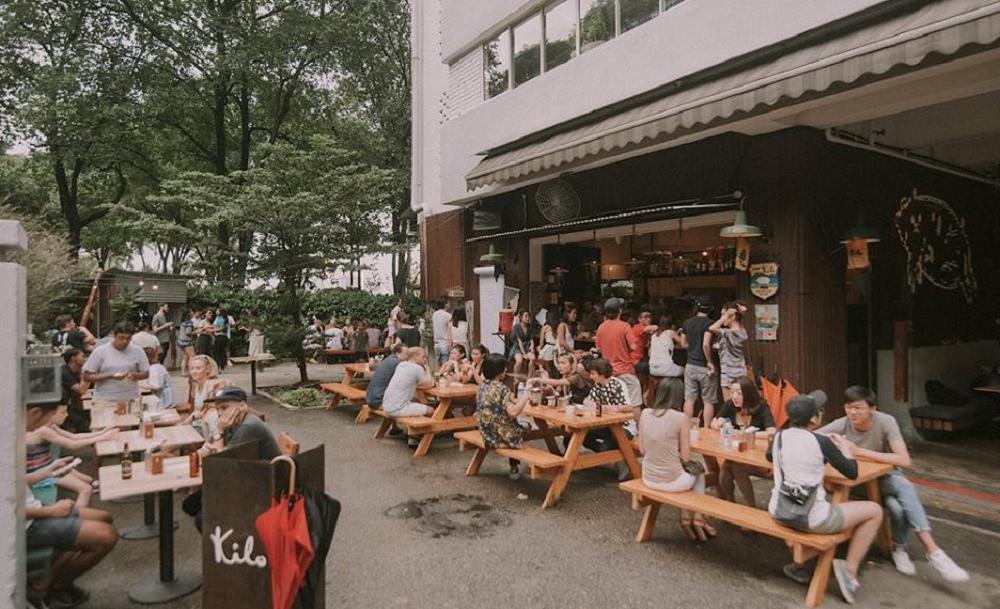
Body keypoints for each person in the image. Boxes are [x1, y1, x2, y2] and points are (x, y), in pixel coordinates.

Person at [816, 386, 968, 582]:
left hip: (884, 479)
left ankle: (908, 550)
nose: (852, 412)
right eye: (848, 407)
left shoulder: (885, 421)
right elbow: (812, 436)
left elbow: (904, 460)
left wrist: (859, 452)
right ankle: (930, 551)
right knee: (902, 493)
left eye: (858, 408)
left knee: (897, 503)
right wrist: (833, 445)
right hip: (858, 482)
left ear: (873, 408)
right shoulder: (843, 423)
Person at [768, 391, 883, 605]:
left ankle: (799, 565)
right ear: (813, 419)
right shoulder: (821, 442)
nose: (821, 413)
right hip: (812, 519)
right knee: (875, 510)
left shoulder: (779, 437)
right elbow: (852, 472)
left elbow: (769, 456)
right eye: (819, 411)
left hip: (778, 511)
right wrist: (845, 448)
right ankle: (849, 571)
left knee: (825, 502)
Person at [25, 400, 118, 609]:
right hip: (28, 523)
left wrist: (48, 471)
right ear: (35, 412)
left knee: (105, 517)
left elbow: (16, 483)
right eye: (47, 418)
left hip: (34, 507)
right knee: (106, 535)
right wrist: (52, 511)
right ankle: (54, 585)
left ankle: (48, 579)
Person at [639, 377, 716, 541]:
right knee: (698, 470)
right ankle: (697, 517)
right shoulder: (681, 418)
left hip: (648, 477)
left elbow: (642, 450)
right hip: (671, 481)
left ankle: (687, 517)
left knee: (688, 471)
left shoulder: (645, 414)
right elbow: (685, 457)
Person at [27, 403, 117, 509]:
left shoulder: (51, 426)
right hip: (40, 472)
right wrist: (103, 437)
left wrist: (103, 433)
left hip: (50, 464)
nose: (66, 415)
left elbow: (74, 436)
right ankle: (77, 516)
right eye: (62, 412)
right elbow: (72, 444)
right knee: (86, 489)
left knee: (89, 480)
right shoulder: (43, 430)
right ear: (51, 414)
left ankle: (89, 508)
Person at [710, 377, 776, 508]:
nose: (734, 397)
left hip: (760, 458)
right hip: (739, 454)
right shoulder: (730, 405)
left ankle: (751, 507)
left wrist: (746, 434)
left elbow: (772, 432)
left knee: (736, 467)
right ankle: (730, 503)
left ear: (748, 393)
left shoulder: (762, 407)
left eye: (739, 393)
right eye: (732, 392)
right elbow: (713, 422)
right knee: (726, 467)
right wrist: (718, 424)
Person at [476, 353, 532, 480]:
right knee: (527, 427)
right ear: (499, 371)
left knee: (515, 425)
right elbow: (513, 412)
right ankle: (518, 466)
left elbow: (498, 403)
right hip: (500, 437)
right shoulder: (502, 388)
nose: (506, 370)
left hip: (486, 434)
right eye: (504, 368)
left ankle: (515, 465)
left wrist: (518, 400)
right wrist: (527, 394)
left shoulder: (482, 387)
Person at [82, 322, 150, 408]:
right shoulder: (100, 351)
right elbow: (87, 376)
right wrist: (110, 376)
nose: (125, 341)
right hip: (105, 400)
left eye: (128, 338)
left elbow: (146, 373)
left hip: (131, 398)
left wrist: (133, 375)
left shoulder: (138, 350)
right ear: (114, 335)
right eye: (121, 338)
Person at [582, 358, 636, 465]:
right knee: (584, 435)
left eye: (593, 374)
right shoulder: (598, 384)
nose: (591, 377)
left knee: (606, 446)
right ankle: (604, 457)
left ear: (602, 374)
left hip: (624, 426)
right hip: (607, 424)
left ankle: (615, 463)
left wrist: (608, 408)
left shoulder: (617, 385)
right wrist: (598, 406)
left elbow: (629, 407)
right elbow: (586, 401)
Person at [594, 298, 642, 417]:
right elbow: (634, 346)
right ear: (620, 311)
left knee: (612, 403)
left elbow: (598, 348)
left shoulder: (601, 327)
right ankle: (638, 428)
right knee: (635, 403)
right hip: (625, 371)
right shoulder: (625, 326)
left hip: (608, 373)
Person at [381, 347, 435, 446]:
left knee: (416, 401)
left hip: (386, 405)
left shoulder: (401, 365)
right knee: (432, 410)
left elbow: (416, 383)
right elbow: (429, 384)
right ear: (415, 356)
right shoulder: (417, 368)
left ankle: (413, 433)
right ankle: (416, 435)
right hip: (398, 408)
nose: (425, 359)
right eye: (423, 356)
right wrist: (427, 369)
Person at [679, 297, 718, 426]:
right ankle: (706, 428)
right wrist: (709, 361)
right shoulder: (710, 323)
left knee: (689, 399)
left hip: (690, 365)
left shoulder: (687, 322)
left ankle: (687, 427)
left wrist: (692, 348)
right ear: (710, 309)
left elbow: (683, 343)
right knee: (708, 401)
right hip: (704, 367)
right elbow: (706, 344)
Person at [708, 301, 749, 400]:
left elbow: (712, 328)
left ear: (732, 316)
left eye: (724, 315)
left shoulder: (729, 333)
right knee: (740, 402)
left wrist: (725, 317)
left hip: (729, 372)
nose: (722, 318)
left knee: (730, 404)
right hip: (740, 371)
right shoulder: (742, 331)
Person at [184, 354, 231, 439]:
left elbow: (212, 410)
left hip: (206, 428)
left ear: (208, 369)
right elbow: (195, 411)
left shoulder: (210, 385)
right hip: (196, 424)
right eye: (192, 368)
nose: (194, 371)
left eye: (198, 368)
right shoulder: (196, 386)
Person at [647, 315, 684, 406]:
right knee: (685, 370)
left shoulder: (654, 335)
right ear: (671, 325)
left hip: (652, 369)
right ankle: (679, 399)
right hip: (666, 368)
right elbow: (683, 343)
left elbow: (649, 353)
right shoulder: (671, 332)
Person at [366, 343, 410, 411]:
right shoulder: (398, 363)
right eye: (406, 353)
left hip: (370, 398)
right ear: (397, 353)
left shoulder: (388, 359)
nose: (408, 356)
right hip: (379, 401)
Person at [60, 348, 91, 433]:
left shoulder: (75, 372)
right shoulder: (64, 372)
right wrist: (87, 374)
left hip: (68, 404)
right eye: (83, 356)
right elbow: (81, 390)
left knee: (86, 413)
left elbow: (83, 387)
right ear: (73, 358)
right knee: (82, 420)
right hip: (58, 408)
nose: (85, 359)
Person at [138, 346, 176, 411]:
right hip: (162, 398)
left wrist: (138, 384)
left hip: (165, 401)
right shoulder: (154, 367)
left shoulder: (155, 368)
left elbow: (156, 386)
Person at [509, 310, 536, 375]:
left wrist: (532, 346)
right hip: (518, 347)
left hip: (527, 346)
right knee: (519, 361)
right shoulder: (517, 327)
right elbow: (519, 341)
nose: (527, 318)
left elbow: (531, 339)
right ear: (521, 317)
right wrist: (524, 354)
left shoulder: (530, 326)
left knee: (533, 358)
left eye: (528, 316)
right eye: (526, 316)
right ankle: (516, 378)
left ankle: (529, 377)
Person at [537, 310, 559, 376]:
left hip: (549, 348)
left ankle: (543, 372)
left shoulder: (545, 327)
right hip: (557, 348)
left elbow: (541, 343)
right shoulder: (558, 327)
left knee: (540, 356)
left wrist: (539, 348)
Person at [431, 299, 452, 365]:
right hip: (445, 343)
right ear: (445, 304)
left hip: (436, 344)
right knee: (445, 367)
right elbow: (450, 330)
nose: (450, 304)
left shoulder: (434, 314)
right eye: (449, 303)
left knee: (440, 367)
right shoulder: (448, 315)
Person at [177, 309, 196, 375]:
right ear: (189, 314)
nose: (193, 313)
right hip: (187, 342)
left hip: (180, 341)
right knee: (192, 356)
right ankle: (191, 372)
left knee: (185, 357)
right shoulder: (189, 322)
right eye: (192, 312)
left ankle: (183, 372)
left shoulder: (183, 322)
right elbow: (188, 333)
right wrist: (197, 332)